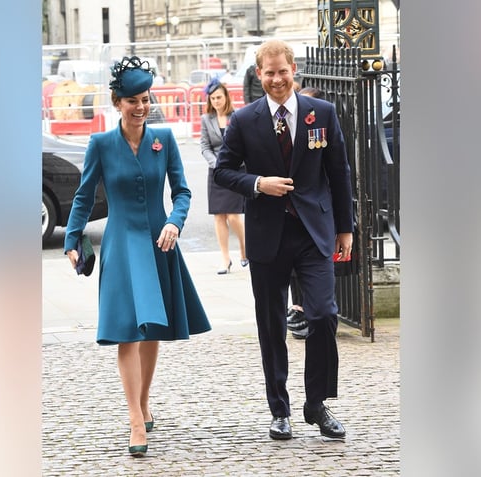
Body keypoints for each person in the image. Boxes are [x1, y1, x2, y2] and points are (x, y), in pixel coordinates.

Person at [64, 56, 211, 458]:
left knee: (151, 329)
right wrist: (72, 240)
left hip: (159, 243)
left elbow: (182, 192)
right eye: (133, 101)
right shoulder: (101, 144)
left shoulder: (164, 140)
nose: (141, 107)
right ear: (118, 102)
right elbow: (83, 196)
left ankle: (144, 401)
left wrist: (175, 223)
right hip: (120, 245)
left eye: (145, 99)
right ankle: (134, 418)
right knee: (128, 330)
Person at [214, 40, 353, 441]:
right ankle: (280, 410)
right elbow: (223, 171)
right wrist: (259, 183)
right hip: (267, 234)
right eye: (269, 73)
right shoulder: (244, 120)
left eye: (283, 71)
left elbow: (339, 172)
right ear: (259, 74)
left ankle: (316, 404)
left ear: (294, 70)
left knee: (323, 314)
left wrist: (345, 228)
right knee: (271, 325)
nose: (277, 79)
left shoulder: (321, 113)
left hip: (313, 232)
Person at [286, 86, 328, 339]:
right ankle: (298, 308)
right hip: (286, 217)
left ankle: (309, 312)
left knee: (322, 301)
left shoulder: (324, 123)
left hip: (315, 216)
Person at [199, 77, 248, 274]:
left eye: (219, 97)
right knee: (219, 216)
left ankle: (244, 249)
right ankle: (225, 259)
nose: (216, 101)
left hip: (236, 170)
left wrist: (231, 163)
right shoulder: (206, 119)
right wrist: (216, 164)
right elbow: (205, 146)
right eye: (213, 98)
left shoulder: (237, 116)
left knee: (234, 216)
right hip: (216, 171)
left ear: (226, 97)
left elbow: (244, 144)